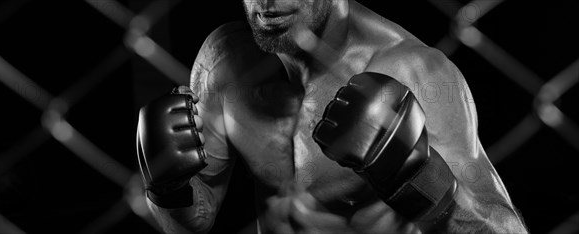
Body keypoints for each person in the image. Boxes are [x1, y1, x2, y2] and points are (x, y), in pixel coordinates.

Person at [136, 0, 528, 233]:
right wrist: (167, 191)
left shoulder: (413, 71)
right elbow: (194, 221)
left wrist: (421, 179)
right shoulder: (224, 61)